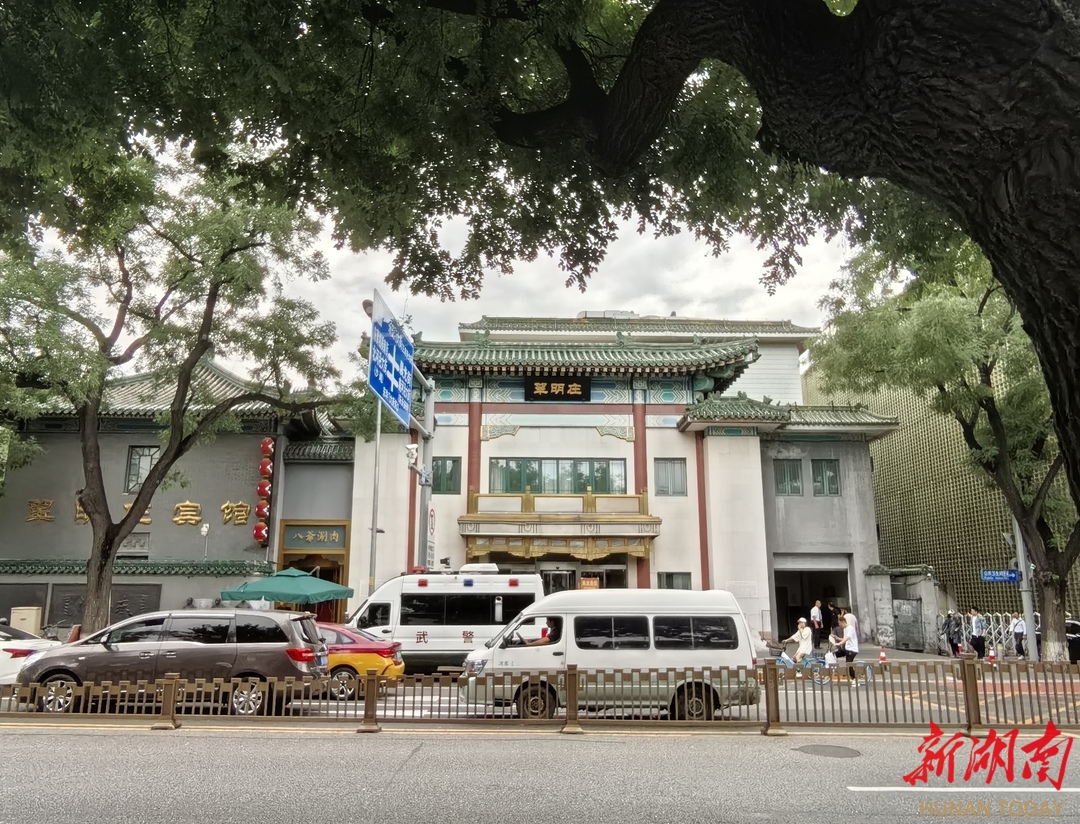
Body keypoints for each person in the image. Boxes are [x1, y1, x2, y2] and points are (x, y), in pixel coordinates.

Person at [832, 616, 860, 687]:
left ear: (843, 622)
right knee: (835, 654)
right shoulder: (845, 629)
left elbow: (847, 638)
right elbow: (844, 638)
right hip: (847, 648)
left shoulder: (850, 628)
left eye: (839, 623)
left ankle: (855, 680)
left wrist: (839, 643)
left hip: (852, 649)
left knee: (849, 664)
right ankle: (834, 668)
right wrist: (837, 638)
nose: (839, 625)